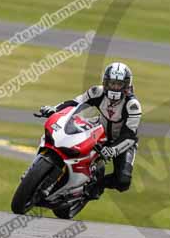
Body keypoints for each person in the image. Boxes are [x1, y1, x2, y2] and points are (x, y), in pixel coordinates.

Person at [38, 62, 141, 198]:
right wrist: (55, 109)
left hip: (122, 142)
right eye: (111, 83)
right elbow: (75, 103)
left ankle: (96, 186)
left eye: (119, 84)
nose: (115, 87)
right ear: (105, 82)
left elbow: (129, 136)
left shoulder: (133, 105)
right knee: (70, 146)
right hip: (99, 130)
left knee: (123, 181)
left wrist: (113, 149)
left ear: (126, 85)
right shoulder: (97, 92)